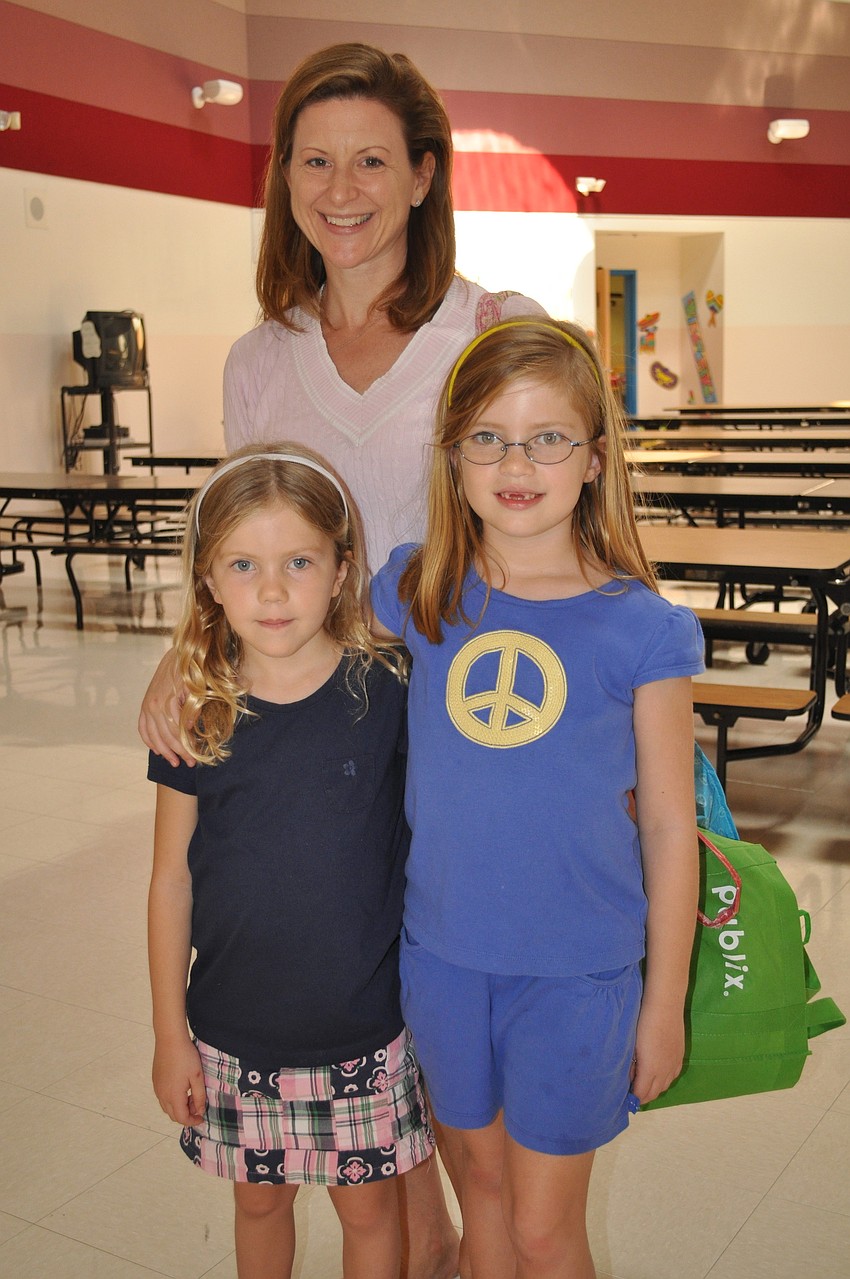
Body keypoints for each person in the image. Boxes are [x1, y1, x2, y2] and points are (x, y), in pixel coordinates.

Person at [141, 41, 544, 1276]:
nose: (342, 184)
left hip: (472, 753)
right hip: (320, 756)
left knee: (484, 1126)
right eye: (313, 159)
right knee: (380, 1121)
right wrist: (183, 647)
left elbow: (556, 541)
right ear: (282, 179)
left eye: (373, 157)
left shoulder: (491, 331)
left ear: (425, 175)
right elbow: (242, 536)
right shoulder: (262, 355)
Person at [370, 317, 705, 1278]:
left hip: (577, 976)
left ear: (596, 458)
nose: (517, 461)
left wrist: (665, 999)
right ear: (454, 456)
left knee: (547, 1228)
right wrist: (187, 671)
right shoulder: (419, 588)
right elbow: (283, 620)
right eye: (487, 436)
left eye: (548, 437)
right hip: (441, 961)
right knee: (481, 1197)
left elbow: (671, 828)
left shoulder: (642, 630)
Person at [147, 444, 435, 1279]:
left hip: (365, 1028)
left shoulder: (386, 690)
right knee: (260, 1202)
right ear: (209, 579)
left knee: (371, 1211)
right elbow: (171, 879)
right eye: (244, 564)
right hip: (235, 1032)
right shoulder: (196, 708)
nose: (272, 590)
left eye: (298, 561)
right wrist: (172, 1033)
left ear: (343, 570)